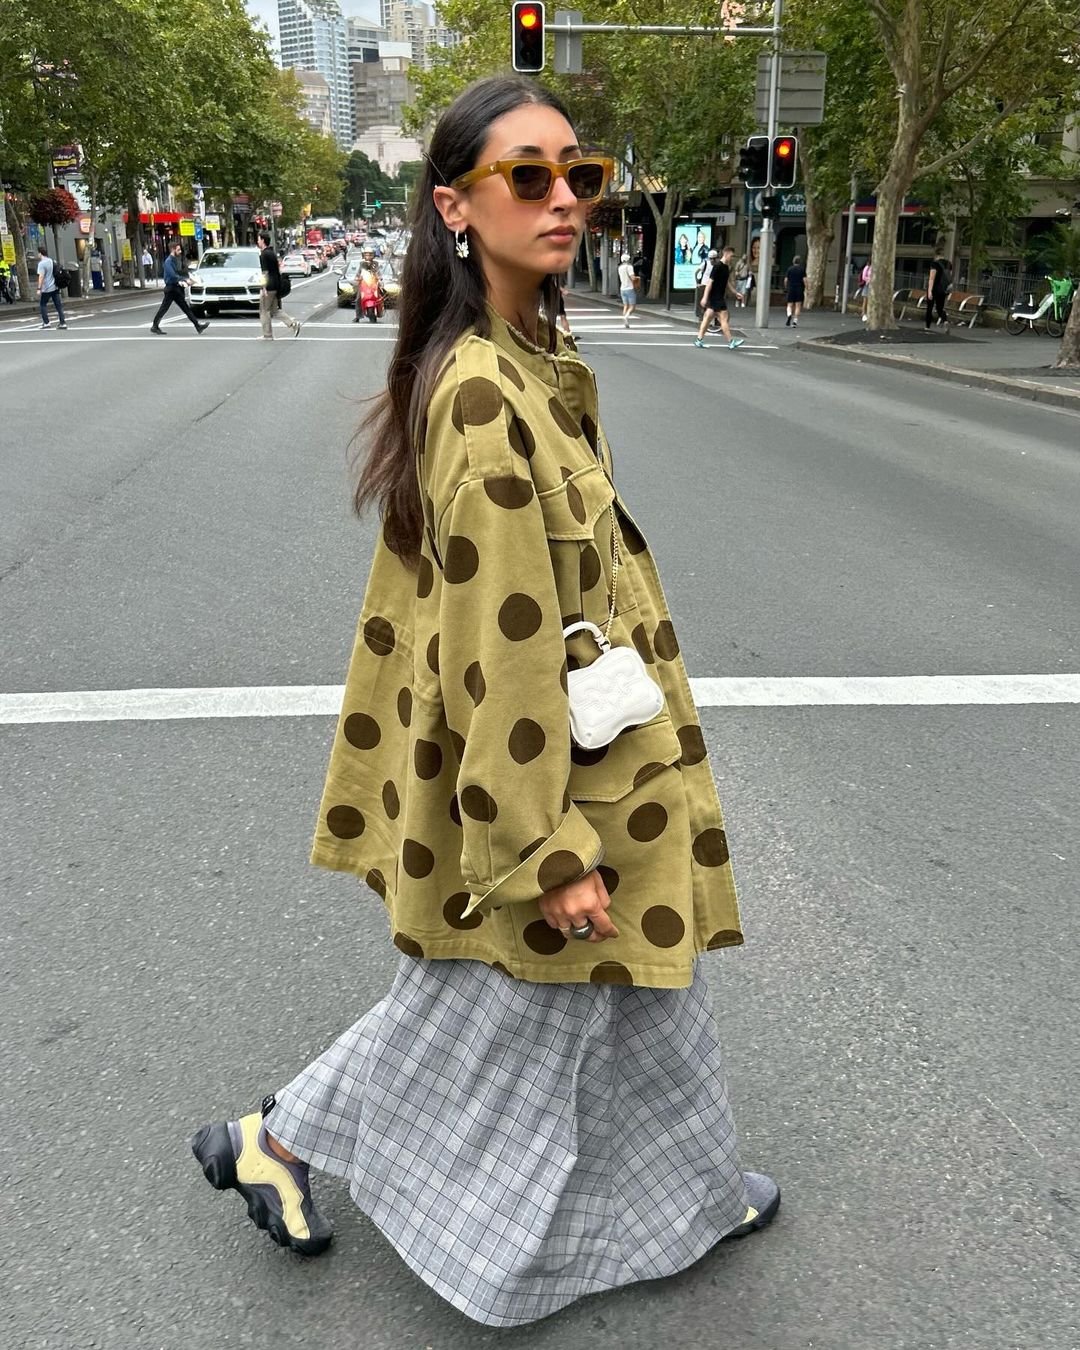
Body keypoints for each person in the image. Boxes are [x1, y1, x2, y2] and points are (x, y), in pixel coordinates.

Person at [190, 73, 778, 1329]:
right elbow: (497, 648)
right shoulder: (479, 390)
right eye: (530, 176)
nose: (565, 197)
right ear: (457, 205)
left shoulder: (537, 353)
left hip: (600, 750)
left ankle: (691, 1189)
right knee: (521, 992)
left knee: (618, 986)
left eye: (582, 173)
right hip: (559, 772)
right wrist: (545, 847)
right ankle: (283, 1139)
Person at [150, 242, 208, 335]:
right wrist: (185, 280)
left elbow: (179, 273)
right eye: (178, 250)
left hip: (176, 288)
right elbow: (172, 275)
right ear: (173, 249)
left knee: (185, 308)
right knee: (165, 308)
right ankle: (154, 326)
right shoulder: (168, 261)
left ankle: (197, 326)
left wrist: (187, 279)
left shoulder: (175, 260)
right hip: (171, 289)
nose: (180, 251)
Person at [694, 244, 744, 349]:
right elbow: (710, 283)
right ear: (726, 253)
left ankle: (699, 339)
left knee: (707, 318)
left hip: (717, 297)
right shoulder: (717, 266)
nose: (732, 258)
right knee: (724, 318)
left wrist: (735, 293)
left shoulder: (726, 267)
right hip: (716, 297)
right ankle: (731, 342)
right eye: (731, 255)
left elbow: (727, 283)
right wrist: (704, 297)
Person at [258, 230, 301, 340]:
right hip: (276, 285)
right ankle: (293, 324)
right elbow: (277, 271)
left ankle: (267, 335)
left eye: (258, 239)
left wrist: (263, 287)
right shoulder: (272, 253)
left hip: (269, 287)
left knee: (264, 310)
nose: (257, 241)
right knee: (275, 310)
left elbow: (265, 273)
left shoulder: (263, 254)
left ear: (263, 240)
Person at [36, 245, 67, 330]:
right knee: (58, 306)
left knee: (43, 304)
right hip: (54, 286)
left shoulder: (41, 264)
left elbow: (41, 277)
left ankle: (46, 323)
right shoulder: (51, 261)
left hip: (46, 288)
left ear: (40, 253)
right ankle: (62, 322)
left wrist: (39, 288)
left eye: (38, 253)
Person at [352, 247, 383, 323]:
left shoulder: (375, 264)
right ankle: (358, 316)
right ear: (364, 256)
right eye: (366, 255)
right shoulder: (362, 264)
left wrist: (379, 278)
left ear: (373, 255)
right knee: (358, 298)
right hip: (364, 284)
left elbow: (378, 272)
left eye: (370, 255)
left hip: (373, 284)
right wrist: (357, 278)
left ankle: (379, 311)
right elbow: (358, 274)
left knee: (380, 296)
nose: (368, 257)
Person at [926, 241, 950, 330]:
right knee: (940, 308)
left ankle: (927, 326)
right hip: (943, 289)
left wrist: (929, 291)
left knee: (930, 307)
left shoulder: (934, 264)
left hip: (934, 288)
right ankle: (945, 321)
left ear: (936, 255)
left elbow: (932, 278)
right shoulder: (948, 264)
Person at [784, 254, 806, 327]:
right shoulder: (802, 269)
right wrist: (807, 288)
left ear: (793, 261)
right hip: (799, 288)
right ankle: (795, 322)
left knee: (789, 304)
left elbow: (786, 280)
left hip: (791, 288)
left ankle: (789, 314)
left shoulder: (789, 269)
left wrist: (786, 287)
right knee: (798, 305)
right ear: (800, 262)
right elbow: (804, 280)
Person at [617, 249, 637, 327]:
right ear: (628, 260)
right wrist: (636, 278)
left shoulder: (620, 267)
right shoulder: (629, 267)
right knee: (632, 306)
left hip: (622, 288)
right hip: (629, 288)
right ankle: (626, 317)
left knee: (625, 305)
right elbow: (633, 278)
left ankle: (625, 319)